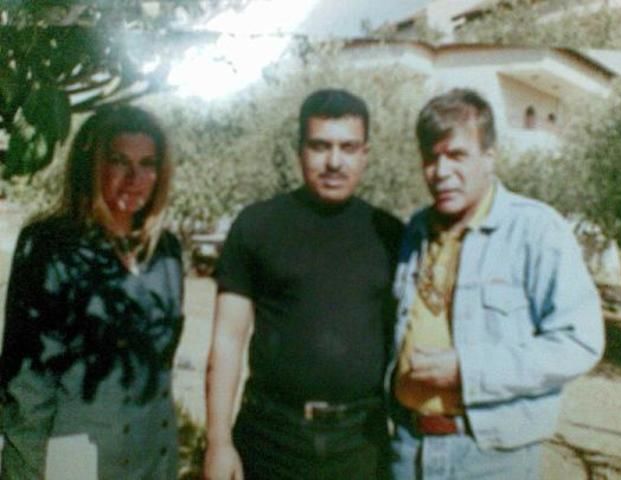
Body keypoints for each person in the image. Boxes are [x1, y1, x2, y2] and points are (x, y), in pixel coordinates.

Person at [389, 88, 604, 479]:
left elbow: (579, 342)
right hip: (408, 449)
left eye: (457, 155)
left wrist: (468, 369)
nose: (441, 172)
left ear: (489, 157)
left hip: (492, 458)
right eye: (431, 157)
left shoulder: (536, 230)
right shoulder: (415, 230)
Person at [204, 88, 404, 480]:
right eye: (320, 146)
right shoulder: (257, 225)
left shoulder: (390, 234)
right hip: (271, 438)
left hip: (361, 442)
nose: (334, 162)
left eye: (348, 147)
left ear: (366, 154)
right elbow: (227, 341)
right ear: (300, 150)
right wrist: (218, 442)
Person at [0, 105, 184, 479]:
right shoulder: (50, 245)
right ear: (91, 167)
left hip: (152, 462)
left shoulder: (166, 251)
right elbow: (26, 385)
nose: (134, 179)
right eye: (119, 161)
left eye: (147, 164)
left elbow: (161, 372)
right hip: (74, 462)